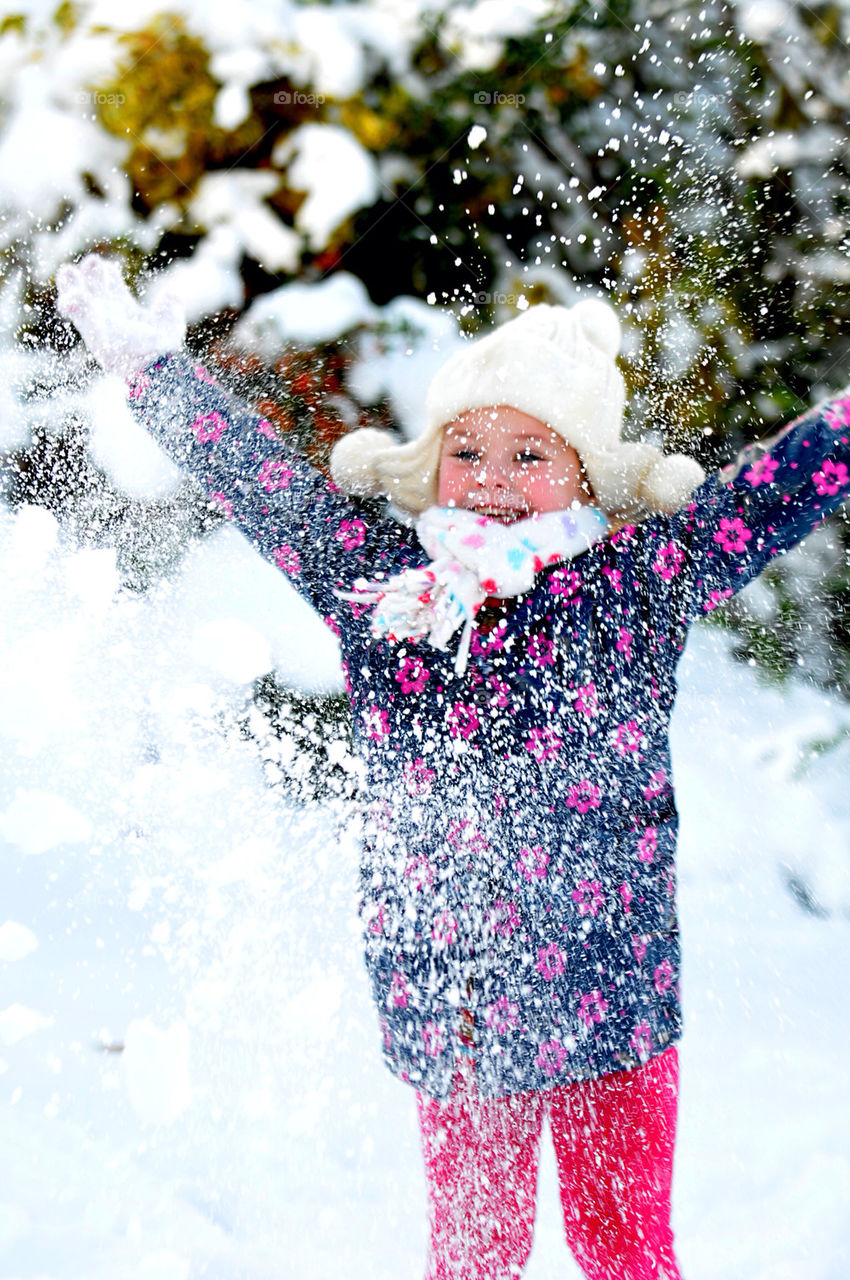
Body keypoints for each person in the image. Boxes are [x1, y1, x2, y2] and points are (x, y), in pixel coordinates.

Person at [56, 255, 850, 1280]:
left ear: (584, 476)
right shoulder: (380, 589)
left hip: (612, 994)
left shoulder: (633, 586)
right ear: (427, 466)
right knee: (474, 1256)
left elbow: (767, 495)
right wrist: (152, 371)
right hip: (455, 1001)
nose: (493, 477)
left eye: (531, 452)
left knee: (625, 1248)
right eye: (465, 449)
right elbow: (266, 489)